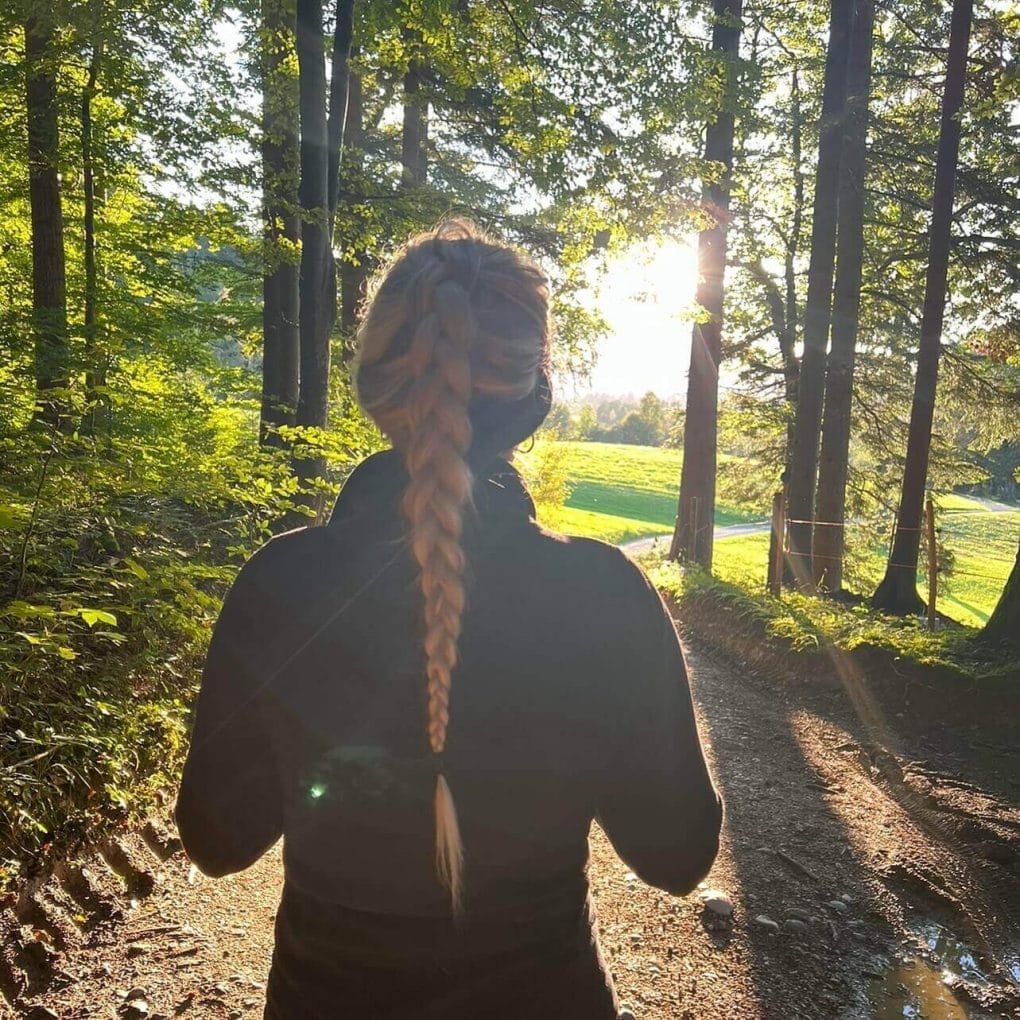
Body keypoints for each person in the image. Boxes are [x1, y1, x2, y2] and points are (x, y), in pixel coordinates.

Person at [175, 219, 723, 1020]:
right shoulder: (604, 592)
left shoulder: (280, 583)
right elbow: (677, 855)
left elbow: (216, 841)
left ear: (375, 386)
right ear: (533, 396)